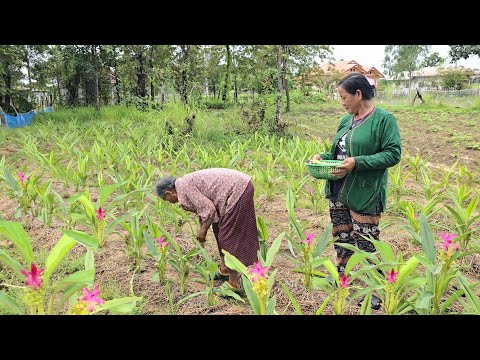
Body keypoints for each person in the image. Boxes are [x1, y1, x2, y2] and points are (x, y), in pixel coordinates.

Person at [309, 73, 402, 309]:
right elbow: (339, 153)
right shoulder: (346, 121)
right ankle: (343, 277)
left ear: (358, 94)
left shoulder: (383, 120)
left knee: (367, 241)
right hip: (338, 189)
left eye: (344, 97)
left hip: (365, 192)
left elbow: (393, 154)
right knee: (342, 237)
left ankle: (377, 287)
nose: (342, 102)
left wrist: (357, 162)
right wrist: (323, 157)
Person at [155, 168, 260, 296]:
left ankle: (234, 283)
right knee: (218, 229)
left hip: (239, 189)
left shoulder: (184, 188)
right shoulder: (183, 184)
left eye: (167, 200)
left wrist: (203, 230)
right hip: (237, 187)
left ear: (169, 193)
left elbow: (209, 209)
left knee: (227, 237)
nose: (170, 203)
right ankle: (225, 269)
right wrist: (204, 225)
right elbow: (204, 209)